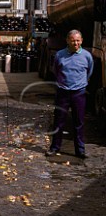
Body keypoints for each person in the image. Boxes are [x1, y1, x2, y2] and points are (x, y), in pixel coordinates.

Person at [45, 29, 94, 159]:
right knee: (59, 121)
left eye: (78, 40)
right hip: (63, 92)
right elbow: (56, 70)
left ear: (82, 41)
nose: (75, 43)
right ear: (67, 41)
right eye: (73, 40)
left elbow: (89, 72)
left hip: (79, 93)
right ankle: (54, 148)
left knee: (79, 122)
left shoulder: (87, 56)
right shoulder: (60, 55)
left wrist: (81, 83)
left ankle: (80, 150)